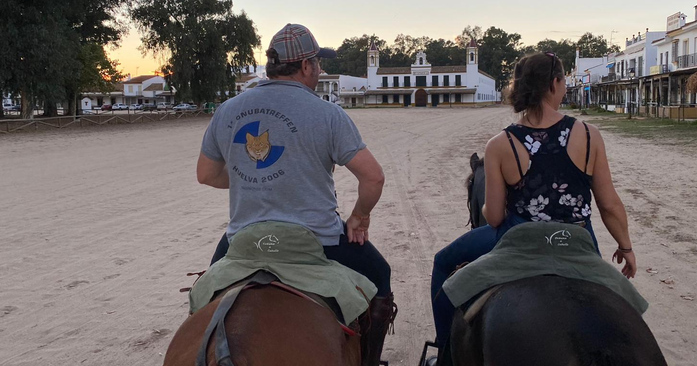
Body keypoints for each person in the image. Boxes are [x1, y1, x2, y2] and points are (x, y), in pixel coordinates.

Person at [197, 23, 396, 366]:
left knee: (206, 298)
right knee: (380, 275)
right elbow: (373, 178)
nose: (320, 70)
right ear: (305, 66)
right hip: (318, 239)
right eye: (318, 63)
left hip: (244, 239)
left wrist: (253, 177)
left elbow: (207, 175)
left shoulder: (228, 110)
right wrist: (359, 217)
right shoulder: (328, 114)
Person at [429, 51, 637, 363]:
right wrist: (626, 246)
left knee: (443, 264)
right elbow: (609, 205)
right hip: (577, 241)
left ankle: (443, 355)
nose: (565, 86)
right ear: (554, 84)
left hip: (519, 240)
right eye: (564, 80)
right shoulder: (589, 136)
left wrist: (488, 208)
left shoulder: (501, 144)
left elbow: (495, 216)